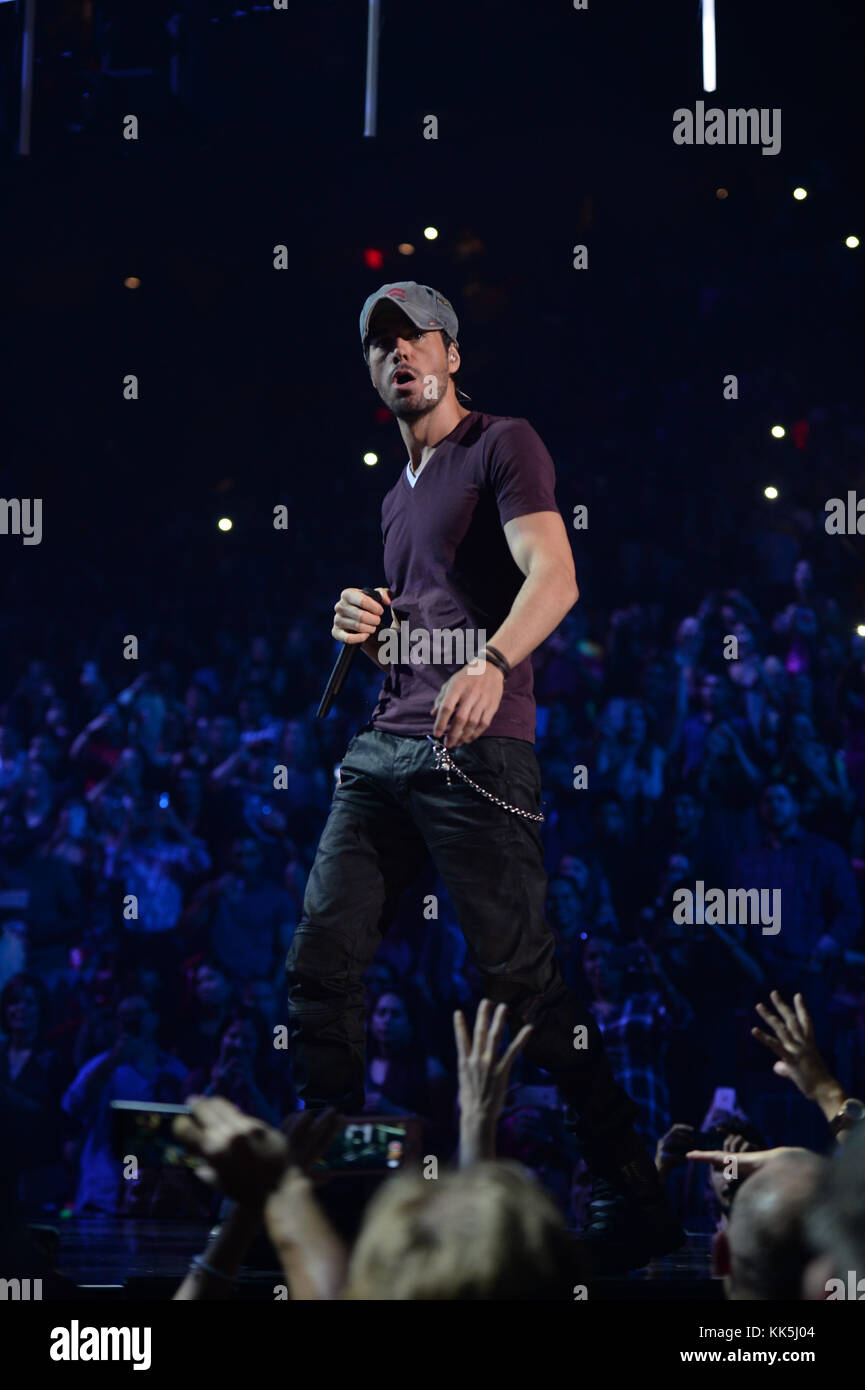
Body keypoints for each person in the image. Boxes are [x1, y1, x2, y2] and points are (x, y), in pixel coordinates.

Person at [286, 281, 683, 1271]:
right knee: (321, 962)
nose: (399, 354)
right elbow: (422, 625)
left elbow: (554, 576)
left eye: (416, 337)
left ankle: (631, 1192)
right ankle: (330, 1193)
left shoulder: (503, 443)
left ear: (452, 353)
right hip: (385, 746)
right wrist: (373, 628)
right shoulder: (395, 495)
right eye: (380, 345)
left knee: (522, 983)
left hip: (476, 749)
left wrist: (492, 662)